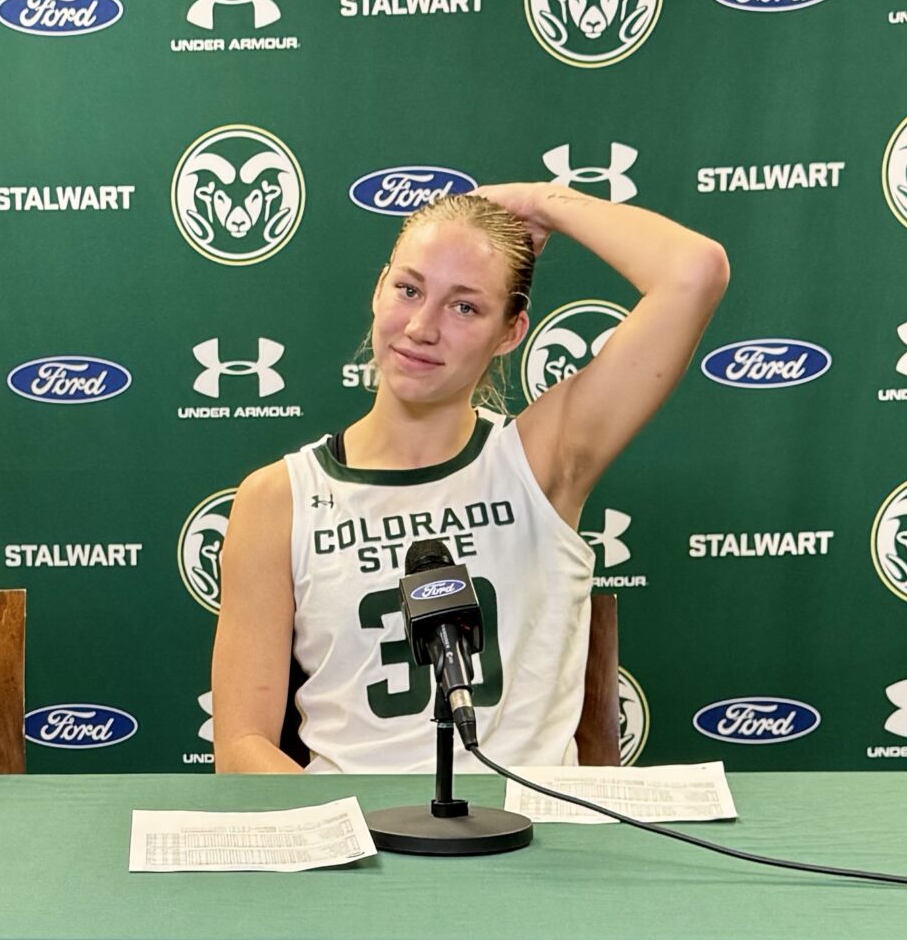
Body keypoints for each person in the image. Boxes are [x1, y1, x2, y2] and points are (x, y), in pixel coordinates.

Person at [211, 186, 727, 772]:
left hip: (529, 843)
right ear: (379, 289)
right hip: (362, 846)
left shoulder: (541, 459)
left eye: (465, 307)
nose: (422, 327)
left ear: (510, 332)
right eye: (409, 290)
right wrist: (356, 836)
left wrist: (542, 203)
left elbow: (695, 271)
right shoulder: (279, 497)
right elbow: (241, 748)